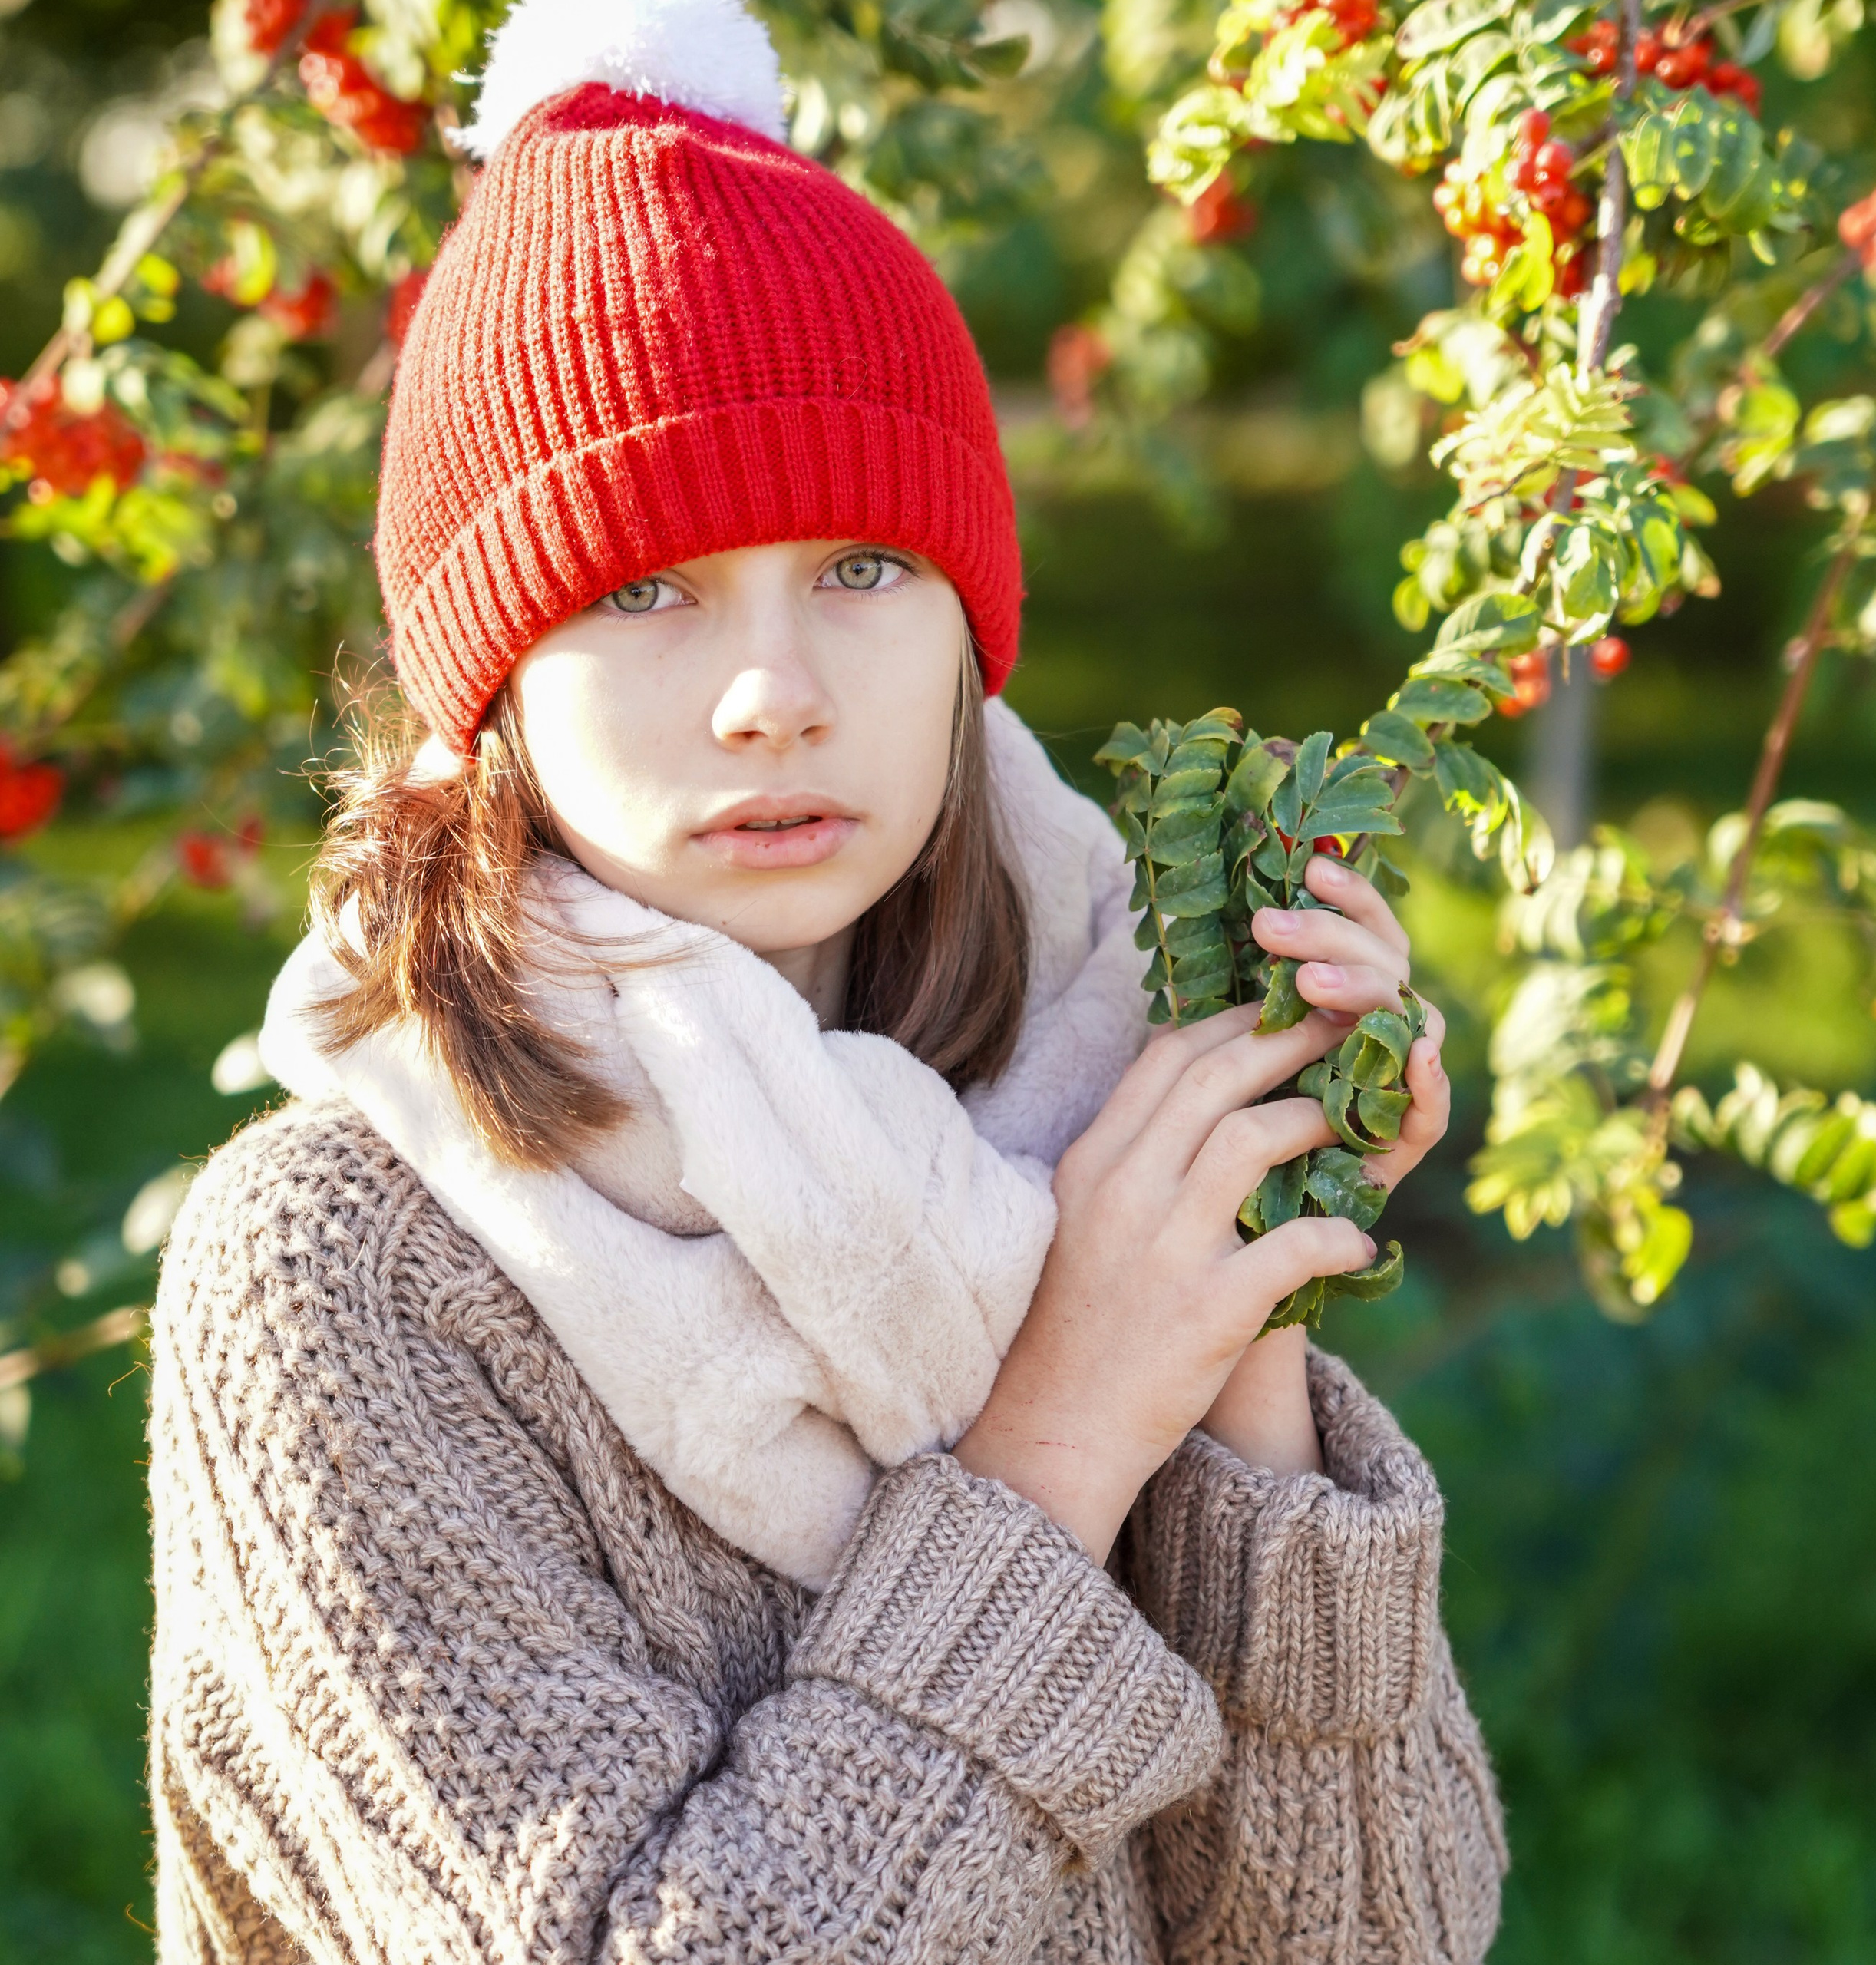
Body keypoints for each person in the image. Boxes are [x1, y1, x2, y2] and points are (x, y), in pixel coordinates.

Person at [144, 0, 1508, 1957]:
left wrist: (1237, 1301)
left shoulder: (1050, 1108)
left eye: (863, 563)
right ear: (490, 687)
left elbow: (1372, 1939)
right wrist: (1056, 1443)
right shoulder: (342, 1279)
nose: (777, 691)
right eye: (642, 587)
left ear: (971, 628)